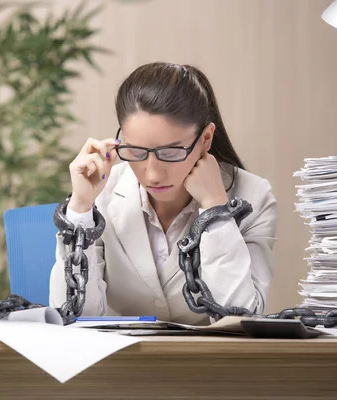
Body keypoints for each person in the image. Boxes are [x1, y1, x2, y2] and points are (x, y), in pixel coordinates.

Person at [49, 62, 278, 325]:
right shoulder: (103, 191)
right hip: (118, 362)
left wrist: (215, 209)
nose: (153, 174)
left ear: (205, 139)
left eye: (170, 153)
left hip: (209, 363)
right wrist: (80, 207)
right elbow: (71, 316)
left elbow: (239, 316)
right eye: (136, 151)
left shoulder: (253, 196)